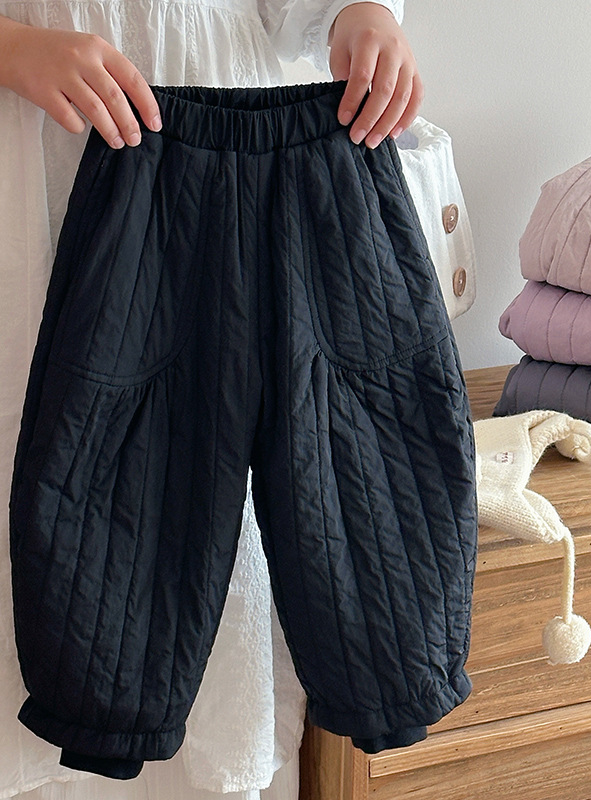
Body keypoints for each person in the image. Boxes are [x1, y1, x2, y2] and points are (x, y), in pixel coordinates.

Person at [0, 0, 425, 794]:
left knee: (292, 495)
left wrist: (359, 12)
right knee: (77, 500)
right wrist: (8, 45)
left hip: (253, 148)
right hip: (38, 142)